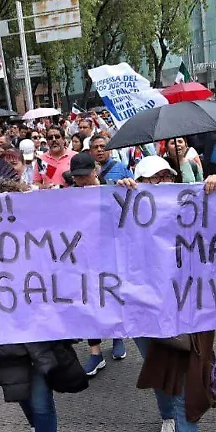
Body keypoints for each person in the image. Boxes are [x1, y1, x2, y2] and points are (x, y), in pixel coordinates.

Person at [127, 156, 216, 432]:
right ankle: (166, 417)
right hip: (142, 313)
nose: (160, 183)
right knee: (158, 369)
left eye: (166, 176)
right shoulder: (126, 211)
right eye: (150, 179)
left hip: (186, 310)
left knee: (183, 383)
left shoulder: (194, 207)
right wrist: (114, 193)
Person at [64, 152, 131, 372]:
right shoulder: (65, 197)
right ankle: (95, 351)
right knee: (88, 302)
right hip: (81, 257)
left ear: (96, 171)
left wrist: (127, 186)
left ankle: (117, 336)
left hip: (111, 255)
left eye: (86, 175)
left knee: (112, 295)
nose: (82, 181)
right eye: (77, 177)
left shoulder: (113, 189)